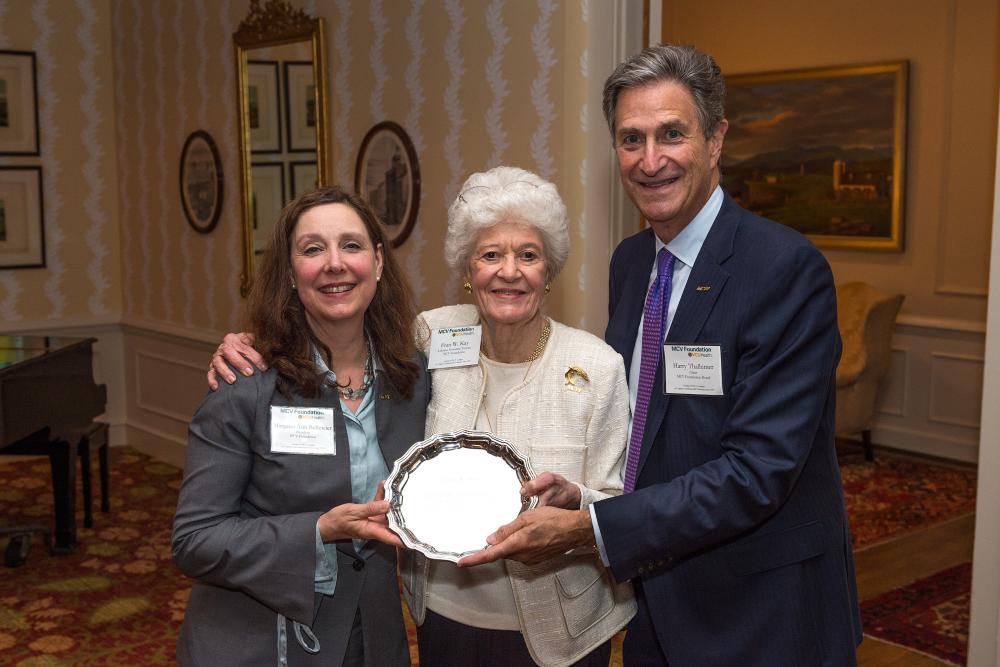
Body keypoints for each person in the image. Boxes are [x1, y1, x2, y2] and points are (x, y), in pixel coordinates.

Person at [459, 44, 863, 666]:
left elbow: (759, 470)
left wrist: (592, 531)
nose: (651, 161)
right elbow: (647, 425)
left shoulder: (784, 269)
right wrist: (587, 500)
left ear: (716, 139)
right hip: (657, 601)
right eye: (631, 139)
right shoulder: (632, 262)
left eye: (671, 134)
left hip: (761, 608)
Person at [208, 166, 636, 667]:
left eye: (529, 255)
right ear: (467, 269)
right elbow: (340, 336)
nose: (509, 271)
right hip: (444, 616)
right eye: (490, 255)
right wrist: (248, 346)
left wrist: (575, 504)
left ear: (551, 270)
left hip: (561, 627)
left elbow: (619, 503)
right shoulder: (427, 338)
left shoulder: (597, 366)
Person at [173, 186, 430, 666]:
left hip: (373, 634)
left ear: (377, 262)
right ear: (290, 273)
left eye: (351, 245)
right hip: (261, 639)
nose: (335, 263)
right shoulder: (245, 383)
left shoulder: (413, 378)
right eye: (313, 249)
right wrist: (318, 530)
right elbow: (194, 541)